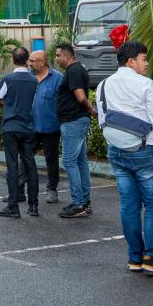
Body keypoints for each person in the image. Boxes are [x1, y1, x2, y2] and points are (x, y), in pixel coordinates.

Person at [96, 40, 153, 275]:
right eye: (144, 59)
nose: (147, 63)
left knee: (129, 206)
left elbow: (102, 117)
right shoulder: (145, 84)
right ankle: (152, 257)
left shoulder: (103, 84)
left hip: (117, 150)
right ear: (130, 61)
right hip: (146, 149)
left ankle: (134, 258)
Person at [0, 48, 41, 218]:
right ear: (28, 60)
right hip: (28, 127)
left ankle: (13, 206)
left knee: (12, 166)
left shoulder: (8, 79)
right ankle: (34, 206)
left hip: (11, 127)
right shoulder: (34, 80)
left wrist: (9, 103)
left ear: (12, 60)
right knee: (30, 165)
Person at [54, 42, 95, 218]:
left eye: (58, 55)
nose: (56, 59)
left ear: (67, 56)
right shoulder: (76, 70)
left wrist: (90, 108)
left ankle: (79, 203)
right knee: (80, 162)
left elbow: (80, 96)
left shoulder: (74, 71)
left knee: (70, 162)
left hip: (73, 121)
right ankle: (84, 202)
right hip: (76, 120)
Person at [30, 48, 61, 204]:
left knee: (51, 159)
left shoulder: (58, 78)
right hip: (30, 127)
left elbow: (63, 103)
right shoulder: (28, 78)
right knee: (26, 158)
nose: (29, 63)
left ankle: (52, 190)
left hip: (51, 127)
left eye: (32, 61)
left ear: (42, 62)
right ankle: (19, 190)